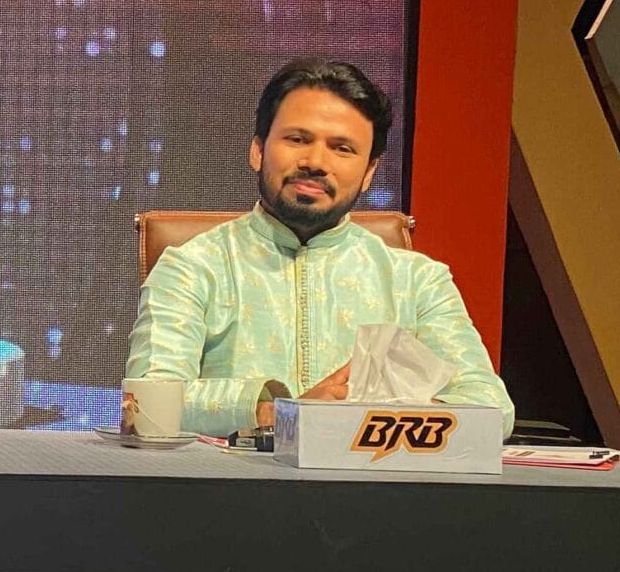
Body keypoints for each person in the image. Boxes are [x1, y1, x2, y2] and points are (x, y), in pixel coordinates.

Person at [124, 58, 514, 437]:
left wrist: (375, 420)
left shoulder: (417, 282)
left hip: (373, 481)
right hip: (234, 482)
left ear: (369, 172)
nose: (316, 162)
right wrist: (287, 414)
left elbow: (491, 409)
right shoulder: (192, 267)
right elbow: (148, 404)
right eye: (298, 139)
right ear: (258, 150)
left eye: (342, 148)